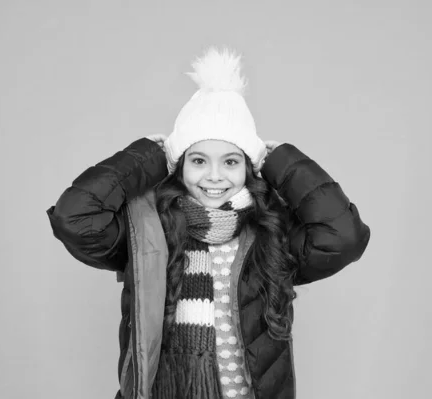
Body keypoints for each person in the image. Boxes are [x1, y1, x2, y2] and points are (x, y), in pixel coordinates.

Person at [46, 47, 371, 399]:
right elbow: (74, 218)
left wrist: (279, 160)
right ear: (179, 165)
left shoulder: (270, 234)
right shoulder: (148, 232)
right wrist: (151, 156)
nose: (214, 176)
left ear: (250, 168)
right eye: (199, 160)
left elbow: (343, 238)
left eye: (231, 161)